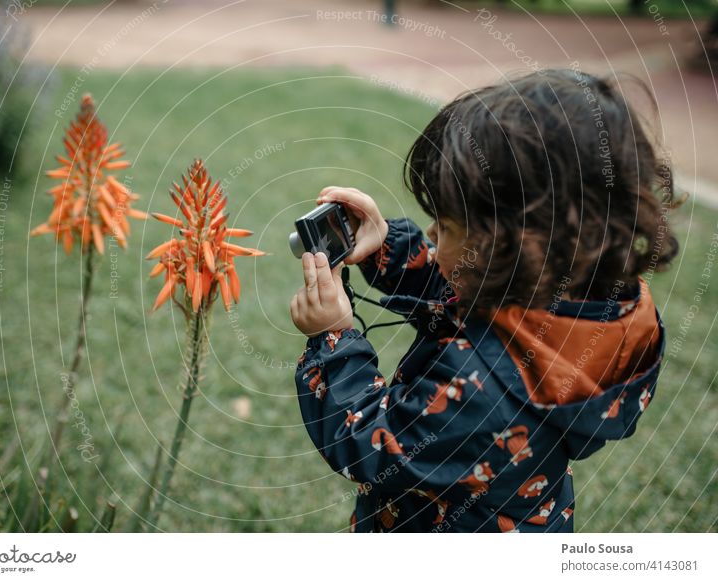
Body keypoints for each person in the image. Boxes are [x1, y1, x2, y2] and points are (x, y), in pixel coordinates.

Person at [289, 68, 680, 532]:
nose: (432, 233)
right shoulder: (594, 306)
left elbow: (371, 445)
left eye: (447, 226)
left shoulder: (486, 394)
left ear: (515, 246)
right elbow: (462, 301)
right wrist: (387, 249)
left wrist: (332, 339)